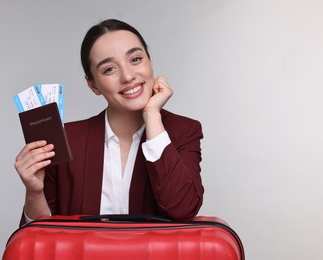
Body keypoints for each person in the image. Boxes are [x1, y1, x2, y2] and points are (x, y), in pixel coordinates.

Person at [14, 19, 204, 226]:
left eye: (136, 59)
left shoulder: (184, 131)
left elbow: (182, 210)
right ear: (93, 85)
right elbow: (41, 241)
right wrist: (34, 192)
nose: (128, 76)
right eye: (109, 69)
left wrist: (152, 116)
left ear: (150, 62)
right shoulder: (66, 139)